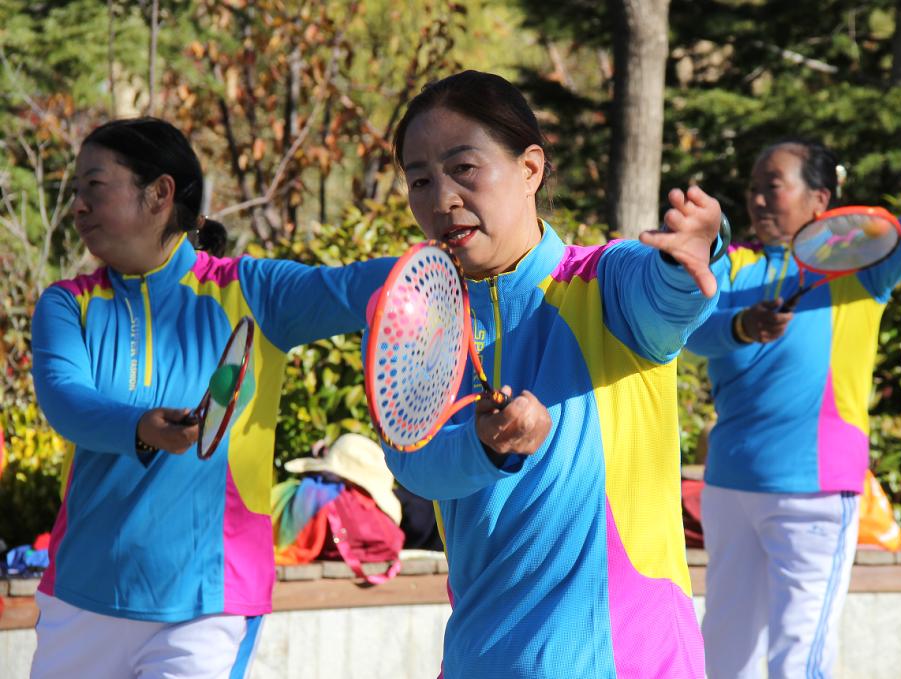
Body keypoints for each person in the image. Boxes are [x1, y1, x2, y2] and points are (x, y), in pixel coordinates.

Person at [382, 70, 726, 678]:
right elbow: (413, 462)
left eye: (465, 168)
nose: (441, 200)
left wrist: (694, 254)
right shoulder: (421, 324)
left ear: (530, 169)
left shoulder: (604, 281)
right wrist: (485, 446)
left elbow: (667, 295)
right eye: (420, 180)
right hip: (479, 660)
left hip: (628, 659)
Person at [29, 117, 392, 679]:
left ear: (160, 193)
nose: (77, 205)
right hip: (81, 597)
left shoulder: (253, 292)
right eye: (75, 191)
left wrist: (451, 264)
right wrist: (142, 427)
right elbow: (65, 401)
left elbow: (352, 289)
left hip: (209, 605)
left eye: (94, 186)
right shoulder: (66, 304)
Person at [686, 120, 901, 678]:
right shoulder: (731, 265)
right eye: (754, 187)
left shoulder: (860, 269)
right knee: (724, 650)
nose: (759, 198)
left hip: (814, 489)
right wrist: (741, 325)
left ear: (820, 199)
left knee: (799, 652)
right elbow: (690, 333)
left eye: (774, 185)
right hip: (729, 486)